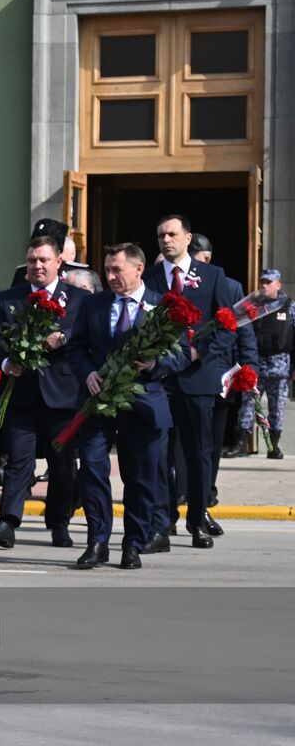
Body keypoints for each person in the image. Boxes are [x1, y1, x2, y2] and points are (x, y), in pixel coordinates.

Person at [68, 244, 189, 570]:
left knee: (141, 478)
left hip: (143, 403)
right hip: (98, 402)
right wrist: (87, 373)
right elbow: (75, 348)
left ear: (138, 269)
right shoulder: (93, 304)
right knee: (92, 470)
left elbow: (182, 354)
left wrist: (154, 363)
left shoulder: (163, 306)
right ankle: (97, 541)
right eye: (107, 270)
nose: (109, 276)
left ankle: (133, 543)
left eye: (116, 270)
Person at [0, 235, 89, 550]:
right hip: (22, 394)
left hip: (63, 394)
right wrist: (5, 360)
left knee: (62, 463)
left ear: (58, 262)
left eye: (43, 260)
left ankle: (59, 523)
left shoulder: (78, 299)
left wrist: (63, 337)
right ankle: (8, 522)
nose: (37, 266)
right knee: (18, 460)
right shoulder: (9, 299)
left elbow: (84, 334)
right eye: (31, 261)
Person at [142, 214, 236, 549]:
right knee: (159, 452)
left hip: (198, 378)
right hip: (159, 379)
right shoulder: (149, 278)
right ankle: (163, 521)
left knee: (198, 454)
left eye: (171, 234)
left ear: (187, 238)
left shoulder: (212, 276)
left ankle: (197, 520)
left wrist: (199, 354)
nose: (166, 240)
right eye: (160, 235)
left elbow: (226, 325)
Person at [191, 234, 255, 524]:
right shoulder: (178, 285)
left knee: (212, 440)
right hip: (183, 375)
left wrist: (248, 367)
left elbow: (242, 331)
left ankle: (207, 491)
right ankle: (186, 492)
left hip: (220, 375)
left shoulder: (229, 286)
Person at [236, 269, 293, 459]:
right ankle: (240, 444)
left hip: (280, 364)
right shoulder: (252, 305)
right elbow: (241, 332)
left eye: (269, 282)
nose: (264, 286)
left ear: (278, 284)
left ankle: (273, 446)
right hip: (256, 363)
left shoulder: (289, 306)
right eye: (262, 282)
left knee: (277, 407)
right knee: (248, 403)